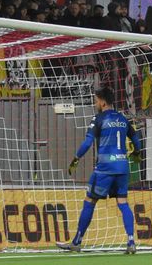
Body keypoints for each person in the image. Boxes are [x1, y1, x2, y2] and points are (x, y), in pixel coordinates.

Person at [56, 87, 141, 254]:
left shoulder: (99, 118)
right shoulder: (123, 118)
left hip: (105, 168)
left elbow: (88, 142)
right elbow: (136, 139)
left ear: (102, 101)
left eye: (96, 100)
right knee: (123, 203)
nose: (95, 103)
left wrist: (76, 159)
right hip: (123, 166)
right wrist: (137, 153)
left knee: (90, 201)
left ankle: (77, 241)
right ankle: (131, 241)